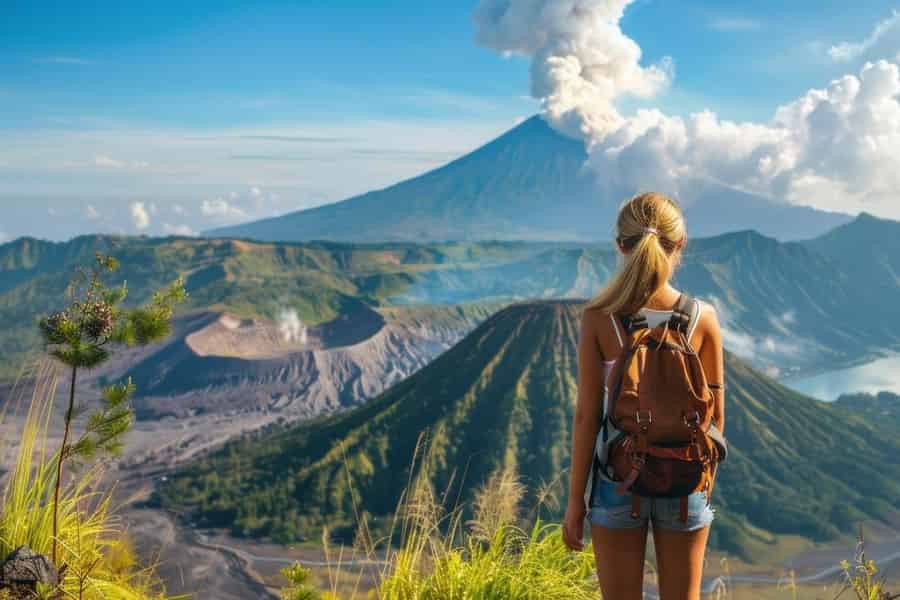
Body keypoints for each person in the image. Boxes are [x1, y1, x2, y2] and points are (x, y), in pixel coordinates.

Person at [561, 192, 725, 600]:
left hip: (620, 478)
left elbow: (587, 418)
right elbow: (715, 419)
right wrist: (701, 486)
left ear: (620, 245)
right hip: (686, 482)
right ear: (680, 244)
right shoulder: (702, 319)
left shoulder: (599, 319)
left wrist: (575, 502)